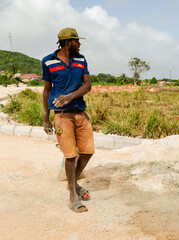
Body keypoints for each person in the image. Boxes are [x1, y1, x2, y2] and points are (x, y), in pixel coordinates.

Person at [42, 27, 94, 213]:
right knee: (70, 155)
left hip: (80, 112)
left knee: (88, 152)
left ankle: (72, 183)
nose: (80, 44)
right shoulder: (48, 61)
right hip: (61, 116)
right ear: (67, 43)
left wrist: (71, 96)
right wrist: (46, 118)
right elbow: (47, 90)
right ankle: (73, 196)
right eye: (77, 41)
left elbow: (87, 85)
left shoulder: (81, 59)